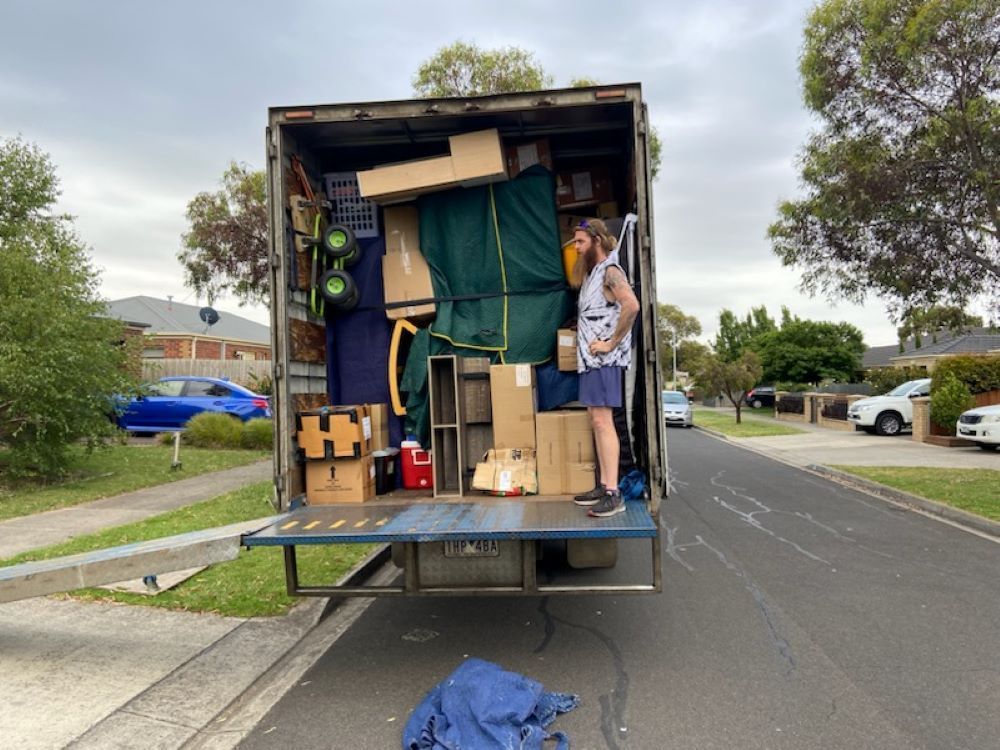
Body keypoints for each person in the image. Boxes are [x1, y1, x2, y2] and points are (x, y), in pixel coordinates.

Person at [569, 219, 639, 518]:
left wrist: (611, 344)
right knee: (595, 418)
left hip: (604, 360)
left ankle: (613, 492)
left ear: (596, 240)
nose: (575, 247)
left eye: (580, 242)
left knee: (602, 421)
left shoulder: (611, 271)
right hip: (590, 360)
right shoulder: (593, 275)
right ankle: (604, 484)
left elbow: (631, 306)